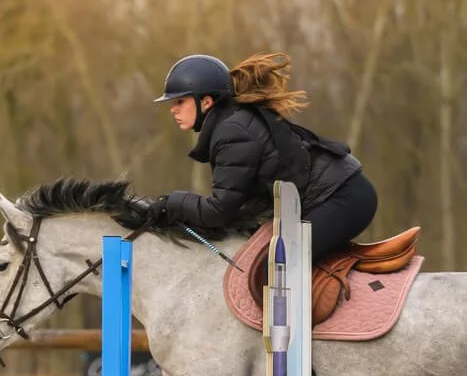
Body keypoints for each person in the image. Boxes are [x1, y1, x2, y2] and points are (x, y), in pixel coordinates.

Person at [144, 51, 378, 264]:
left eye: (179, 101)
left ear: (206, 102)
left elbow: (219, 211)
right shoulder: (230, 123)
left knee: (272, 268)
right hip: (335, 195)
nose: (172, 109)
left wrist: (172, 203)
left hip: (342, 199)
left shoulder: (231, 131)